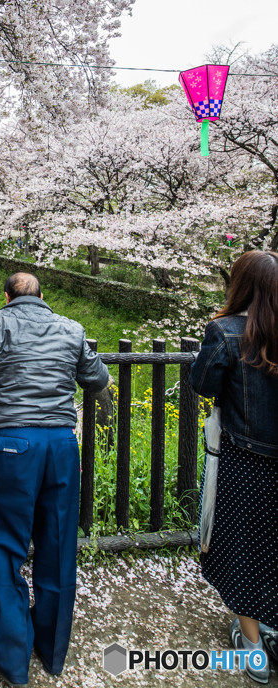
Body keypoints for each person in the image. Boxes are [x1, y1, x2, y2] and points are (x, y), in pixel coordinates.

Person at [0, 271, 108, 688]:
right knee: (57, 545)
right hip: (60, 445)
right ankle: (52, 652)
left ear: (6, 297)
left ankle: (12, 658)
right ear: (44, 296)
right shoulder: (71, 328)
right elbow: (98, 379)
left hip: (13, 444)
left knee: (5, 545)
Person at [189, 250, 278, 684]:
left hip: (246, 460)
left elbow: (202, 383)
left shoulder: (226, 332)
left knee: (243, 546)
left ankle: (252, 643)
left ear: (240, 285)